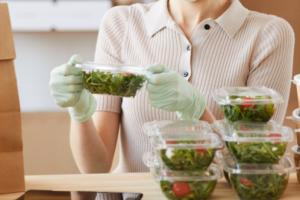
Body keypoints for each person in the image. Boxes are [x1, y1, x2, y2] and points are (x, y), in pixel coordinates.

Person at [49, 0, 295, 199]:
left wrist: (196, 110)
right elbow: (96, 169)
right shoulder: (122, 23)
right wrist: (79, 111)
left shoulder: (270, 33)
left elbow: (256, 169)